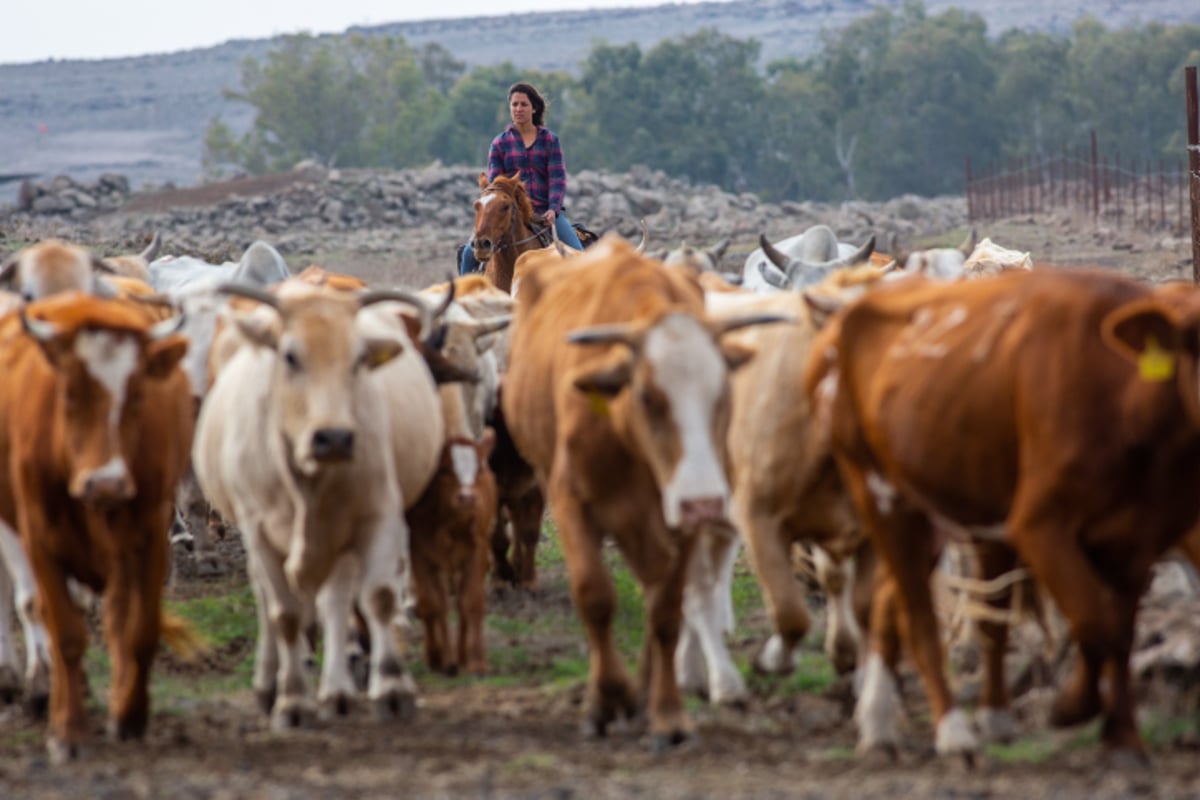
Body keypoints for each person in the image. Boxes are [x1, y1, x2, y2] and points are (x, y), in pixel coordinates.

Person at [459, 82, 584, 275]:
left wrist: (553, 209)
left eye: (524, 104)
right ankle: (465, 298)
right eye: (514, 104)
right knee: (469, 254)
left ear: (534, 108)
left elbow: (557, 178)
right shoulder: (500, 143)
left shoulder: (550, 140)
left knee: (579, 256)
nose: (518, 109)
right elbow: (495, 185)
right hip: (510, 213)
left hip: (545, 214)